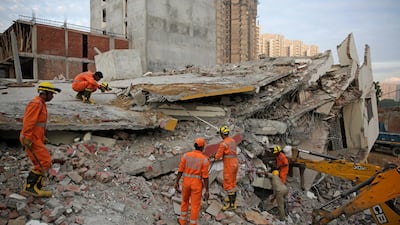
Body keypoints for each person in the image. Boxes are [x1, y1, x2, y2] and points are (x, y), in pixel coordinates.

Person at [20, 81, 61, 197]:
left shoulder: (41, 103)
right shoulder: (36, 103)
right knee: (44, 161)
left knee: (43, 162)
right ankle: (30, 188)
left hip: (35, 138)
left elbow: (38, 124)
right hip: (31, 139)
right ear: (44, 93)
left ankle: (36, 187)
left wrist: (43, 137)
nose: (52, 97)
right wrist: (27, 138)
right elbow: (29, 122)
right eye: (51, 94)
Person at [175, 138, 210, 225]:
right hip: (196, 185)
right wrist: (207, 190)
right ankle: (192, 223)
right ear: (202, 147)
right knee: (195, 205)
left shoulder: (186, 156)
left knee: (184, 201)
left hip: (186, 183)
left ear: (194, 146)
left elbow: (180, 170)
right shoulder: (204, 160)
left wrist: (176, 182)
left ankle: (182, 221)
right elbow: (205, 177)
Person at [214, 125, 238, 211]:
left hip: (229, 164)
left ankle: (231, 205)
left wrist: (215, 156)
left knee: (228, 184)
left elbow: (217, 156)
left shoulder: (223, 144)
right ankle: (233, 200)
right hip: (235, 162)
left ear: (222, 134)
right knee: (233, 182)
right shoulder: (232, 141)